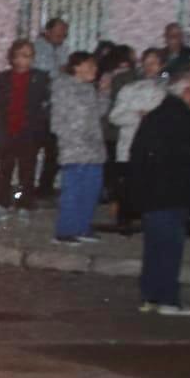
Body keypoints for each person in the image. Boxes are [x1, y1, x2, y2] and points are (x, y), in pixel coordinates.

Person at [128, 73, 190, 316]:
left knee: (154, 249)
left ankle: (149, 297)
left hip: (151, 195)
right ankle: (169, 301)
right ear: (187, 91)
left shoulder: (154, 116)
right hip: (172, 194)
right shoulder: (183, 118)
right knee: (170, 249)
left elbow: (137, 154)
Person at [0, 39, 52, 221]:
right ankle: (2, 204)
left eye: (29, 56)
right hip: (7, 132)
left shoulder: (40, 78)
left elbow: (47, 104)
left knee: (26, 173)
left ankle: (23, 204)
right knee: (5, 171)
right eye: (22, 55)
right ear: (13, 58)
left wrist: (41, 124)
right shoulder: (4, 78)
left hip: (28, 133)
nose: (26, 60)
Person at [50, 52, 111, 244]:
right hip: (75, 150)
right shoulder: (64, 87)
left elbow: (99, 112)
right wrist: (74, 139)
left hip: (93, 150)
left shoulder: (88, 89)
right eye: (90, 65)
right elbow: (58, 122)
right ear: (76, 67)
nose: (95, 69)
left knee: (90, 191)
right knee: (73, 192)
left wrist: (104, 93)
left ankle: (82, 228)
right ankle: (65, 232)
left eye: (95, 66)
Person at [107, 48, 168, 233]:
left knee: (151, 185)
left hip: (155, 146)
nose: (150, 67)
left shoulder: (167, 90)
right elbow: (115, 116)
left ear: (162, 65)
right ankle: (124, 220)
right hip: (129, 143)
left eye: (154, 63)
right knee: (127, 184)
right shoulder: (130, 88)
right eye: (146, 62)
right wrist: (138, 115)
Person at [32, 18, 70, 198]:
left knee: (53, 150)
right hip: (39, 107)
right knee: (32, 149)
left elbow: (65, 73)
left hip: (56, 107)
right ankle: (27, 188)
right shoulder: (37, 48)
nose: (62, 36)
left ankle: (44, 189)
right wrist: (59, 72)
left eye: (64, 33)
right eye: (58, 33)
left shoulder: (62, 49)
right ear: (47, 31)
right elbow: (46, 74)